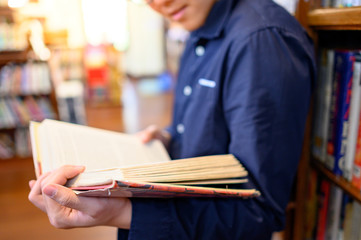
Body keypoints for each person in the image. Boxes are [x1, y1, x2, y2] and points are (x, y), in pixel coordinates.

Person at [28, 0, 316, 239]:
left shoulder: (260, 40)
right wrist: (171, 136)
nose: (160, 4)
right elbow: (218, 132)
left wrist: (118, 213)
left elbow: (260, 210)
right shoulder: (198, 24)